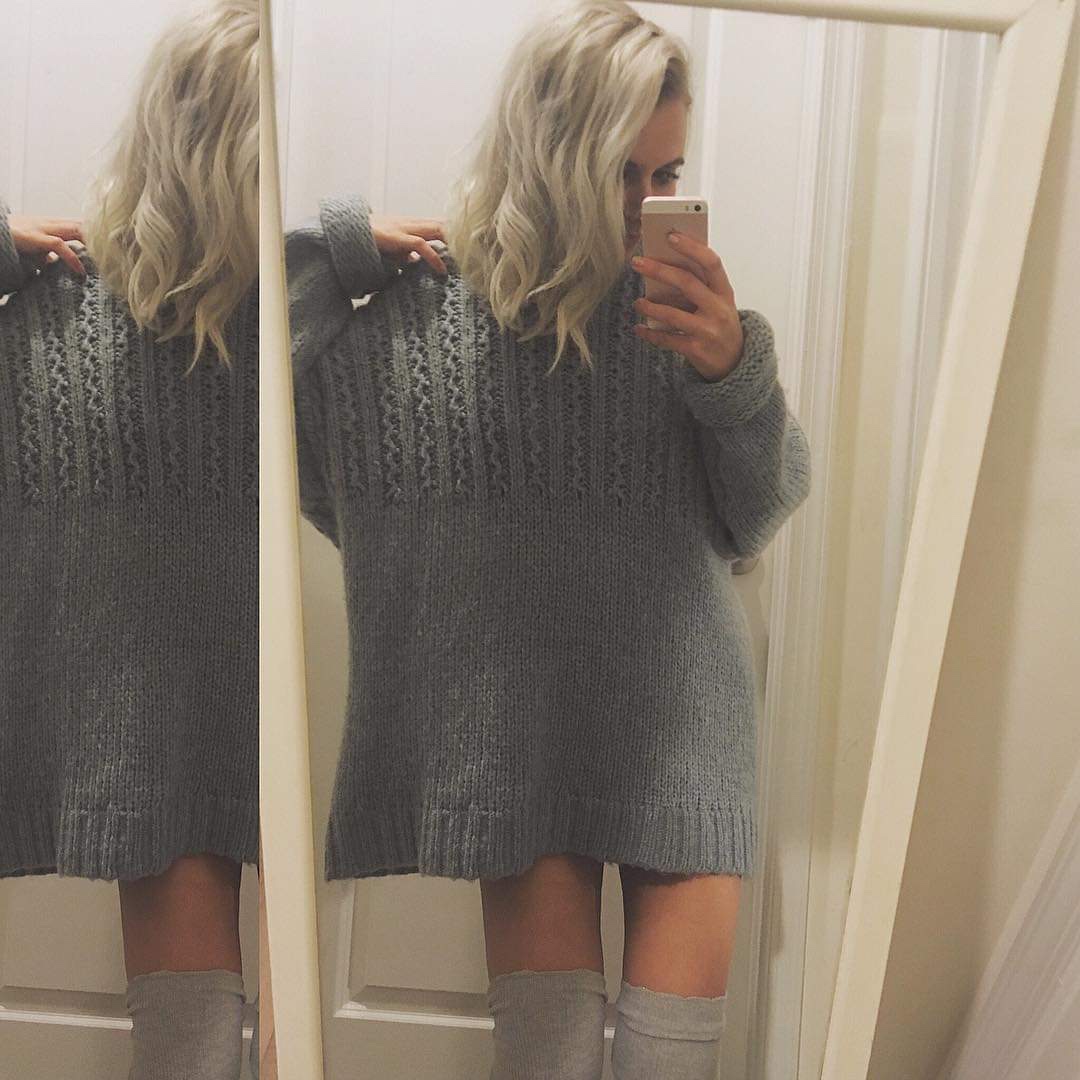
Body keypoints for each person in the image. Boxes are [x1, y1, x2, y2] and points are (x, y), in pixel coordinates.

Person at [286, 1, 811, 1077]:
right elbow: (250, 405)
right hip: (509, 724)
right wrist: (333, 251)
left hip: (683, 713)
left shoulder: (687, 320)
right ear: (550, 152)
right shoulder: (417, 317)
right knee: (547, 1059)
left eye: (666, 175)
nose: (647, 205)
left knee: (670, 1062)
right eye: (622, 172)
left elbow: (759, 510)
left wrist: (733, 373)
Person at [0, 2, 260, 1078]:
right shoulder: (54, 306)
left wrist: (339, 240)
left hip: (253, 689)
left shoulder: (291, 314)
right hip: (127, 692)